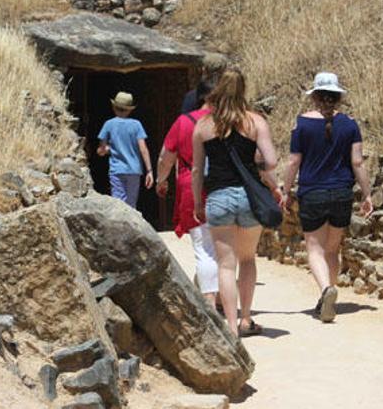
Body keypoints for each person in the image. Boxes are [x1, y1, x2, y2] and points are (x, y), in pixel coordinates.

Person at [191, 68, 282, 336]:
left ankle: (230, 327)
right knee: (247, 259)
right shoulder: (255, 122)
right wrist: (254, 164)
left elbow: (197, 169)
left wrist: (198, 202)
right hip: (248, 197)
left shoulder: (203, 126)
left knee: (225, 265)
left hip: (218, 197)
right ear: (243, 89)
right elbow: (272, 161)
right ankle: (246, 319)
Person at [281, 72, 373, 323]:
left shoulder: (302, 124)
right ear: (338, 97)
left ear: (315, 97)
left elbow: (293, 161)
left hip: (313, 192)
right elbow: (357, 162)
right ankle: (329, 298)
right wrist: (367, 194)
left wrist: (285, 190)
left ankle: (325, 291)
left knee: (314, 247)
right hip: (342, 192)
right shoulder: (350, 124)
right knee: (332, 249)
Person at [157, 79, 217, 306]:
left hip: (193, 188)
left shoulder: (184, 122)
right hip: (227, 188)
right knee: (224, 249)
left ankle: (209, 301)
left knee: (204, 250)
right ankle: (221, 297)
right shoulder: (231, 120)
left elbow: (166, 157)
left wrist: (161, 181)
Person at [97, 92, 154, 208]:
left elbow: (101, 150)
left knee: (118, 205)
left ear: (114, 107)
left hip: (117, 170)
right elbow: (143, 148)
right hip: (134, 170)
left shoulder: (109, 124)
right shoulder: (136, 125)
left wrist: (107, 149)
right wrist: (149, 171)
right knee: (131, 205)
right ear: (129, 110)